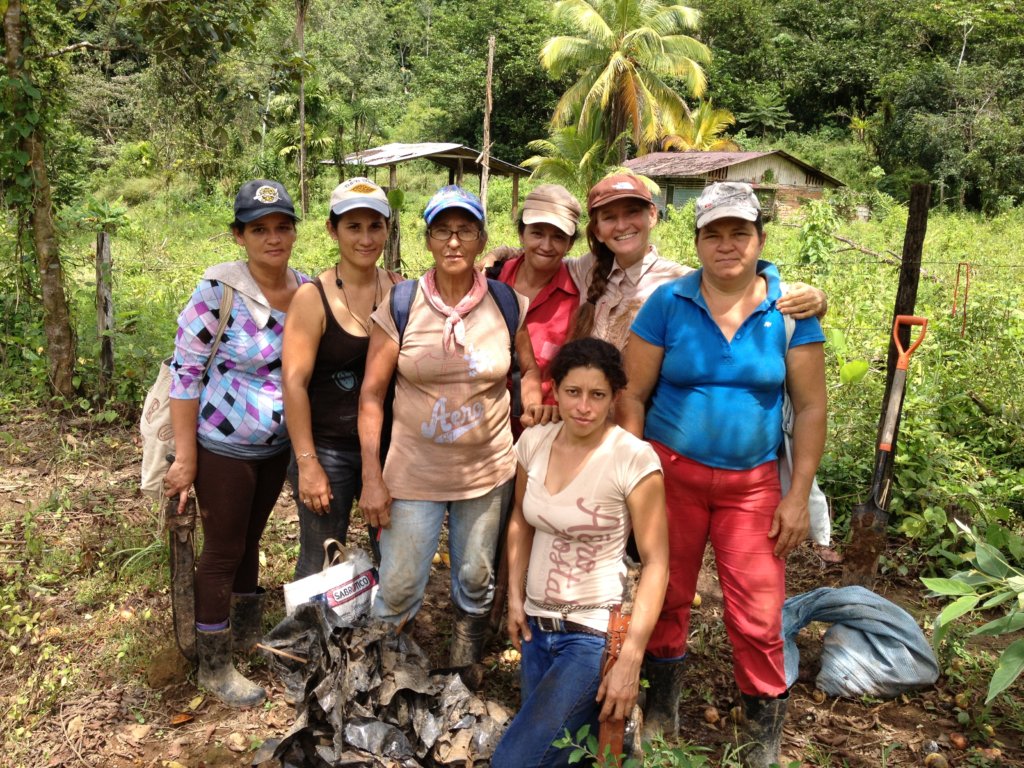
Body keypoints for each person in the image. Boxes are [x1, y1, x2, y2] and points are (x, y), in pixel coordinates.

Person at [616, 182, 827, 767]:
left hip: (753, 484)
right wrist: (637, 478)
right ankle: (661, 719)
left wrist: (797, 495)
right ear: (698, 241)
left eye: (741, 233)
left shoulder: (786, 309)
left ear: (760, 240)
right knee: (668, 594)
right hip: (670, 478)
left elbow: (810, 407)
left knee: (759, 611)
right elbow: (632, 394)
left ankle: (762, 740)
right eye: (715, 233)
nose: (727, 245)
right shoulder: (668, 303)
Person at [357, 185, 551, 666]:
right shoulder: (403, 304)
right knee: (400, 584)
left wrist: (530, 397)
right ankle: (383, 674)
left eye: (465, 230)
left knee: (475, 577)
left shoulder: (506, 303)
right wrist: (371, 475)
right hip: (413, 472)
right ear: (428, 240)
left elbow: (527, 368)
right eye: (442, 230)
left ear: (482, 239)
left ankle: (463, 670)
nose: (454, 242)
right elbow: (372, 394)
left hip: (486, 472)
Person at [492, 338, 669, 768]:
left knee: (514, 761)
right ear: (555, 389)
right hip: (536, 628)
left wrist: (630, 659)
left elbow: (657, 562)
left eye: (597, 395)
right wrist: (515, 598)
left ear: (615, 397)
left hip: (591, 634)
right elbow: (520, 520)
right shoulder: (534, 442)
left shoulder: (632, 459)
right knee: (562, 756)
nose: (584, 407)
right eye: (573, 392)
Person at [164, 179, 306, 708]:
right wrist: (185, 456)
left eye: (282, 227)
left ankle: (245, 634)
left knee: (252, 539)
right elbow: (185, 374)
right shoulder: (217, 292)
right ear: (239, 236)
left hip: (275, 446)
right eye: (259, 229)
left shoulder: (307, 288)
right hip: (222, 445)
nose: (273, 238)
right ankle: (214, 662)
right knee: (223, 548)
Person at [282, 178, 401, 578]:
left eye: (375, 226)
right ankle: (308, 638)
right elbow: (295, 384)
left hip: (388, 449)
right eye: (353, 227)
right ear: (333, 230)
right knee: (320, 561)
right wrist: (308, 463)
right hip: (327, 449)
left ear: (387, 228)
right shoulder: (311, 298)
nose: (366, 238)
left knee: (394, 557)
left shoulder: (401, 291)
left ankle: (380, 636)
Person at [566, 173, 826, 350]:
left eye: (633, 212)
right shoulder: (585, 269)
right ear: (597, 230)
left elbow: (735, 281)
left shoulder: (678, 281)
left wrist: (815, 298)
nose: (622, 225)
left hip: (641, 421)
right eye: (609, 217)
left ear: (653, 215)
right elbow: (534, 255)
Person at [488, 185, 582, 431]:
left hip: (542, 427)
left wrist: (553, 406)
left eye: (559, 237)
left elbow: (572, 370)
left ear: (570, 244)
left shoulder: (578, 298)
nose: (546, 245)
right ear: (522, 234)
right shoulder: (492, 280)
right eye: (537, 233)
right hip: (480, 428)